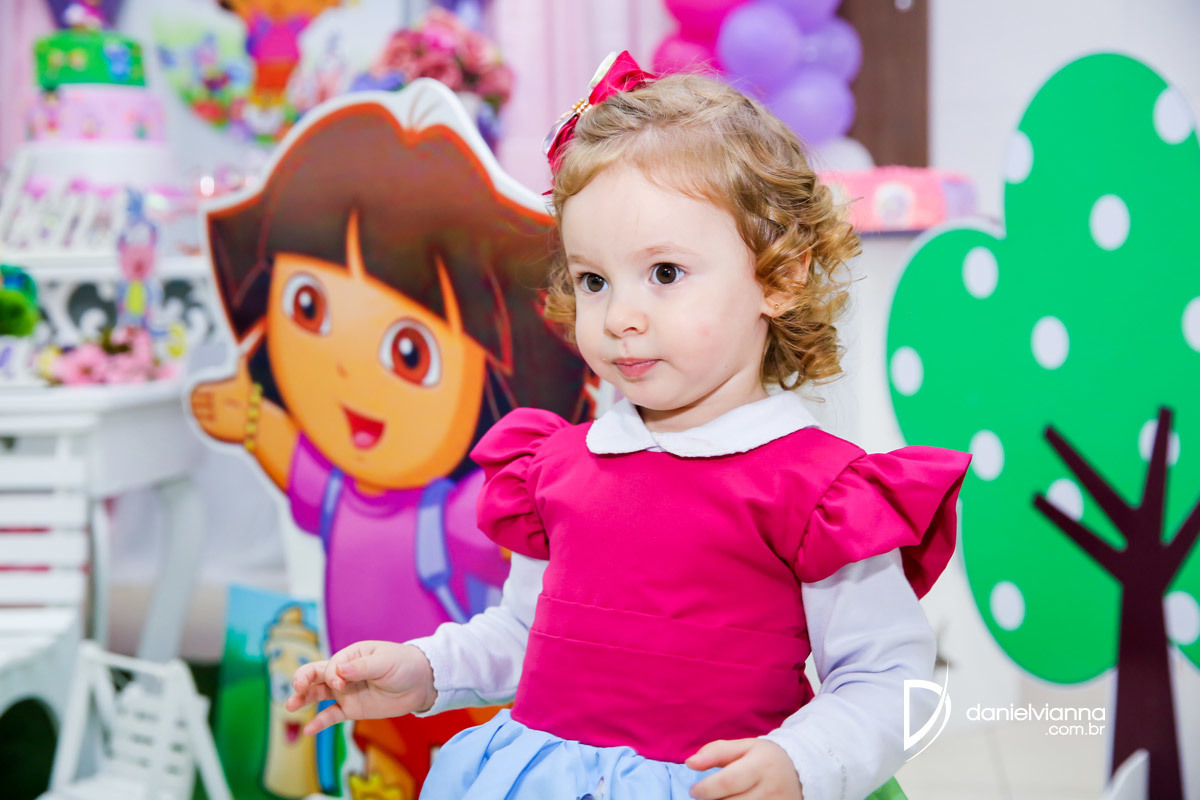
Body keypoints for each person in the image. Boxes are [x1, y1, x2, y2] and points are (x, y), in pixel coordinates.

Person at [288, 51, 971, 800]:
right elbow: (525, 633)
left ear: (779, 276)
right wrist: (424, 671)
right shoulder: (556, 468)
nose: (620, 316)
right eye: (594, 280)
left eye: (665, 274)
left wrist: (801, 761)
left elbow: (887, 681)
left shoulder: (821, 492)